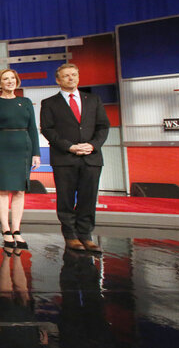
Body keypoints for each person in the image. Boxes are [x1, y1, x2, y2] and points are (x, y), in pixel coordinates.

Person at [40, 63, 109, 253]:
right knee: (66, 199)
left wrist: (93, 144)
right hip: (64, 158)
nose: (71, 78)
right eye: (66, 76)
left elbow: (103, 126)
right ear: (58, 80)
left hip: (91, 157)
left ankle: (86, 236)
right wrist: (69, 147)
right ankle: (70, 236)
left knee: (88, 198)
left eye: (74, 75)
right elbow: (47, 129)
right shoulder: (49, 103)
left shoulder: (93, 99)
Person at [0, 69, 40, 250]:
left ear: (17, 81)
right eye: (5, 79)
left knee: (20, 191)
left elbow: (33, 129)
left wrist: (36, 153)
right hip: (1, 146)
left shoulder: (25, 102)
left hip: (23, 147)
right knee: (2, 189)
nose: (9, 81)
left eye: (12, 78)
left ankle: (16, 229)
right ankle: (5, 229)